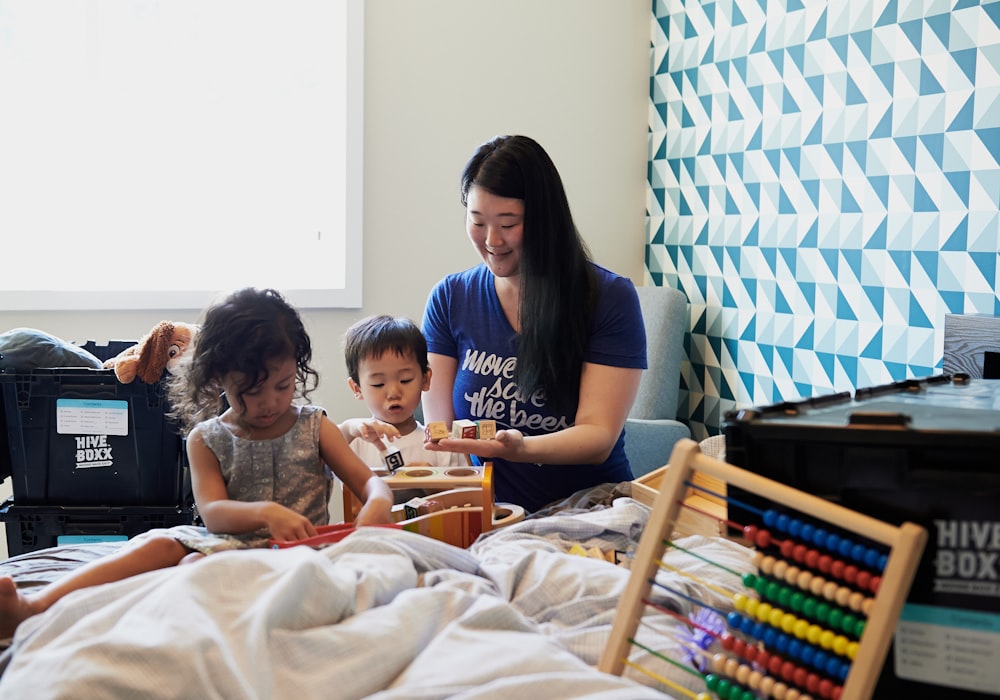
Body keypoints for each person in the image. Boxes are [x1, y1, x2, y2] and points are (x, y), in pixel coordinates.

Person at [0, 287, 394, 638]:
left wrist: (377, 502)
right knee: (163, 545)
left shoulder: (315, 426)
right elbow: (214, 513)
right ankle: (34, 607)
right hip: (228, 549)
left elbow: (369, 484)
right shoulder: (207, 439)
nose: (271, 402)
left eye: (284, 385)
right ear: (220, 377)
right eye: (251, 392)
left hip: (304, 554)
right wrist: (266, 513)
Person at [421, 134, 647, 514]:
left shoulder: (608, 298)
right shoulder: (450, 298)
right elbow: (441, 429)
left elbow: (598, 436)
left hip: (590, 507)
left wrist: (521, 448)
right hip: (491, 511)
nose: (492, 240)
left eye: (508, 223)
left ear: (545, 220)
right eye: (477, 222)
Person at [339, 314, 468, 472]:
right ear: (357, 388)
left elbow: (466, 494)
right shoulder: (354, 442)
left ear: (425, 379)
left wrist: (434, 483)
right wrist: (348, 428)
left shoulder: (442, 445)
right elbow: (314, 456)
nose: (393, 393)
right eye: (378, 384)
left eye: (405, 380)